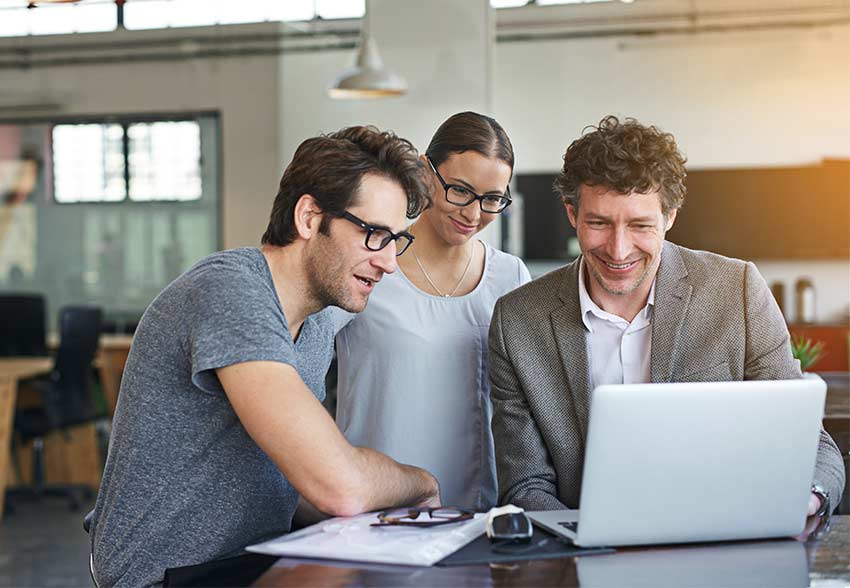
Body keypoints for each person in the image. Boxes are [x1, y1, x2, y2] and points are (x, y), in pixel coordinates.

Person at [89, 126, 441, 587]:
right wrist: (420, 483)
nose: (389, 261)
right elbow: (340, 486)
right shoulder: (231, 292)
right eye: (375, 234)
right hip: (165, 579)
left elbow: (290, 488)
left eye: (397, 239)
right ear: (310, 217)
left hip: (253, 563)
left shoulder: (316, 318)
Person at [489, 115, 845, 516]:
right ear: (572, 214)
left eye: (640, 225)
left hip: (721, 540)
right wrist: (580, 546)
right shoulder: (517, 323)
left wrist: (803, 498)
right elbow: (526, 484)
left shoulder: (737, 291)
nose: (619, 250)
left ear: (670, 216)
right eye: (598, 223)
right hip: (581, 555)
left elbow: (811, 446)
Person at [335, 112, 530, 511]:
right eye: (459, 190)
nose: (473, 215)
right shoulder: (370, 265)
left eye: (492, 199)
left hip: (479, 514)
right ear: (426, 172)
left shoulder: (511, 277)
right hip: (375, 509)